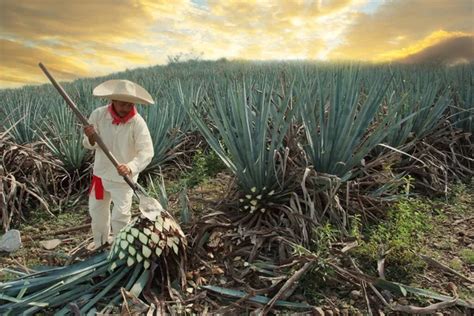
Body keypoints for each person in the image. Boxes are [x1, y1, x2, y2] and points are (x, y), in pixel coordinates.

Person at [83, 79, 154, 249]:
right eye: (122, 104)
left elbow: (147, 151)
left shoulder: (137, 123)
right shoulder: (98, 115)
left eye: (129, 105)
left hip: (123, 180)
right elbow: (87, 144)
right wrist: (91, 137)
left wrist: (131, 166)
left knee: (121, 215)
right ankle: (100, 243)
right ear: (113, 101)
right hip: (101, 174)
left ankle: (120, 246)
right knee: (97, 212)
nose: (126, 109)